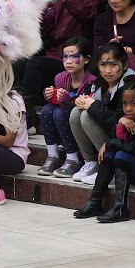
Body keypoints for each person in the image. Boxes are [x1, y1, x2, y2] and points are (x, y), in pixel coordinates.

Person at [74, 75, 135, 222]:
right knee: (111, 153)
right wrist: (120, 123)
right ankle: (95, 201)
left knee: (121, 154)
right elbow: (119, 141)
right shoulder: (127, 117)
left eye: (134, 103)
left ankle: (120, 208)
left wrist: (109, 144)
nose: (128, 108)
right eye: (124, 103)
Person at [21, 0, 102, 123]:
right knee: (18, 63)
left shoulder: (94, 1)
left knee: (36, 64)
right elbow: (44, 32)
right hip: (52, 54)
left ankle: (28, 120)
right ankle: (19, 111)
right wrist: (40, 13)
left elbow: (85, 15)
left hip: (74, 61)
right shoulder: (59, 4)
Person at [70, 42, 135, 184]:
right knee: (76, 112)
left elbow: (121, 119)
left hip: (128, 138)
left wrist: (92, 106)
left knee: (88, 115)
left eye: (113, 65)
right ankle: (91, 162)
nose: (108, 70)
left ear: (124, 65)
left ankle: (107, 165)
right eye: (103, 65)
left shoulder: (131, 86)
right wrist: (80, 101)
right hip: (108, 131)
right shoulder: (98, 83)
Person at [37, 38, 96, 178]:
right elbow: (56, 103)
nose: (68, 61)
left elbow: (84, 106)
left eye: (74, 57)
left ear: (86, 59)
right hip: (62, 128)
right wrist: (49, 95)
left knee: (59, 113)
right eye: (65, 57)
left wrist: (67, 98)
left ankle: (73, 158)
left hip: (80, 130)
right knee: (47, 109)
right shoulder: (60, 78)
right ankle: (53, 156)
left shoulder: (92, 80)